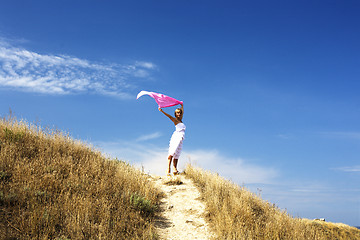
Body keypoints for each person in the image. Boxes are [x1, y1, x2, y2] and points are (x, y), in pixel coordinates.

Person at [159, 103, 185, 175]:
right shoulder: (175, 120)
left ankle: (175, 169)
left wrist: (182, 106)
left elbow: (182, 111)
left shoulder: (181, 120)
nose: (179, 114)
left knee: (177, 154)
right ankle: (168, 169)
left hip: (181, 138)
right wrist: (162, 111)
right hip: (177, 136)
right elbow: (169, 116)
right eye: (177, 113)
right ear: (175, 114)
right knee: (172, 152)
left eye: (180, 113)